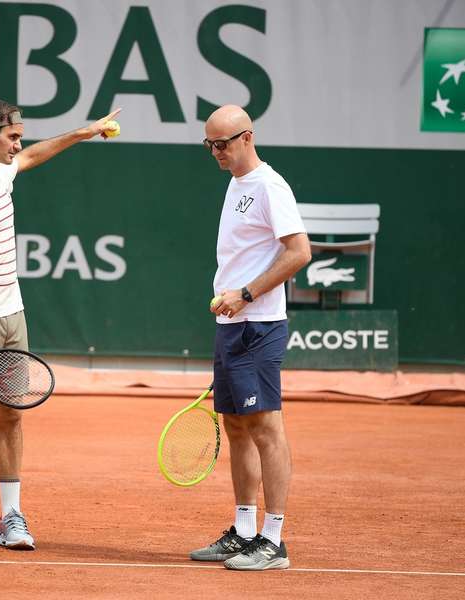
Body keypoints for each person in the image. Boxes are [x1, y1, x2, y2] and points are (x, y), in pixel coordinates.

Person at [0, 99, 120, 551]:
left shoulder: (3, 170)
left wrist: (84, 132)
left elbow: (35, 155)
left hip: (12, 315)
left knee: (11, 415)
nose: (20, 144)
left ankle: (9, 516)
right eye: (12, 136)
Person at [189, 105, 311, 571]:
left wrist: (245, 293)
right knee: (237, 427)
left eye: (223, 143)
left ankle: (273, 540)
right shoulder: (237, 183)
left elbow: (299, 252)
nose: (216, 152)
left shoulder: (268, 186)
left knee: (265, 428)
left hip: (259, 325)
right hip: (232, 325)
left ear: (247, 137)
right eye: (210, 145)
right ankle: (243, 533)